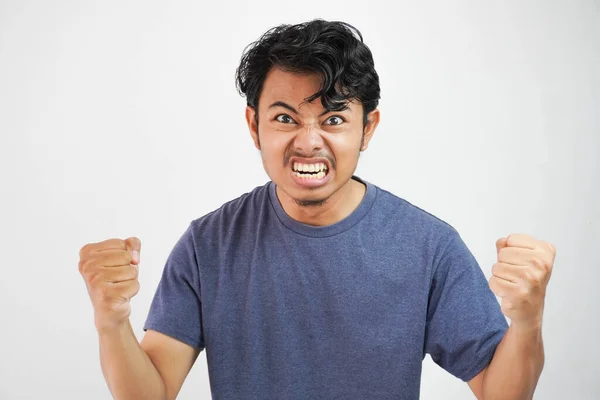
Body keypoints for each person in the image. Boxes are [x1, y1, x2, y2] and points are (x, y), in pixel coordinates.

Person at [78, 19, 556, 400]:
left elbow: (502, 392)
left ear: (367, 128)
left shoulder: (428, 247)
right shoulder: (208, 245)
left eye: (333, 118)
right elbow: (151, 392)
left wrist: (528, 321)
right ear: (254, 125)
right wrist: (111, 321)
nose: (309, 142)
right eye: (285, 117)